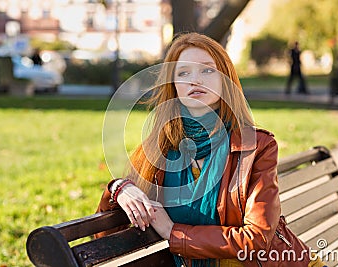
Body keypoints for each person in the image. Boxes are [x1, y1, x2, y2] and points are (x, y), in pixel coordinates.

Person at [96, 33, 324, 266]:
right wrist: (119, 189)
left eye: (207, 70)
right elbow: (104, 241)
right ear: (174, 86)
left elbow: (256, 239)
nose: (195, 80)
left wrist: (173, 232)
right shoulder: (156, 151)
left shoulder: (256, 147)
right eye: (184, 73)